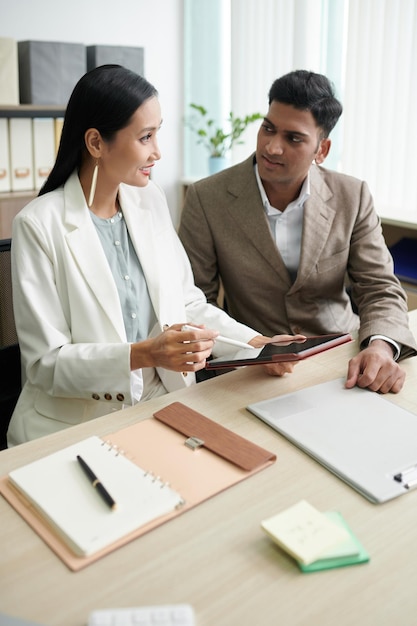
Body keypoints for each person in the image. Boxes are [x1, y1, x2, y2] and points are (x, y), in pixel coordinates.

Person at [7, 65, 303, 446]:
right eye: (145, 137)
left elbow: (187, 305)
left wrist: (256, 345)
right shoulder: (37, 225)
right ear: (96, 143)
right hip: (78, 426)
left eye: (157, 133)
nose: (158, 152)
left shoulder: (149, 200)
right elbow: (45, 365)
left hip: (166, 405)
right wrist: (145, 354)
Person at [179, 69, 417, 395]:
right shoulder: (206, 198)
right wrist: (247, 349)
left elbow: (380, 288)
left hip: (341, 358)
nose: (272, 147)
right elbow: (194, 302)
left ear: (322, 149)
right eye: (268, 129)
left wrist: (380, 346)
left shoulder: (352, 195)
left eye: (293, 138)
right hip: (252, 365)